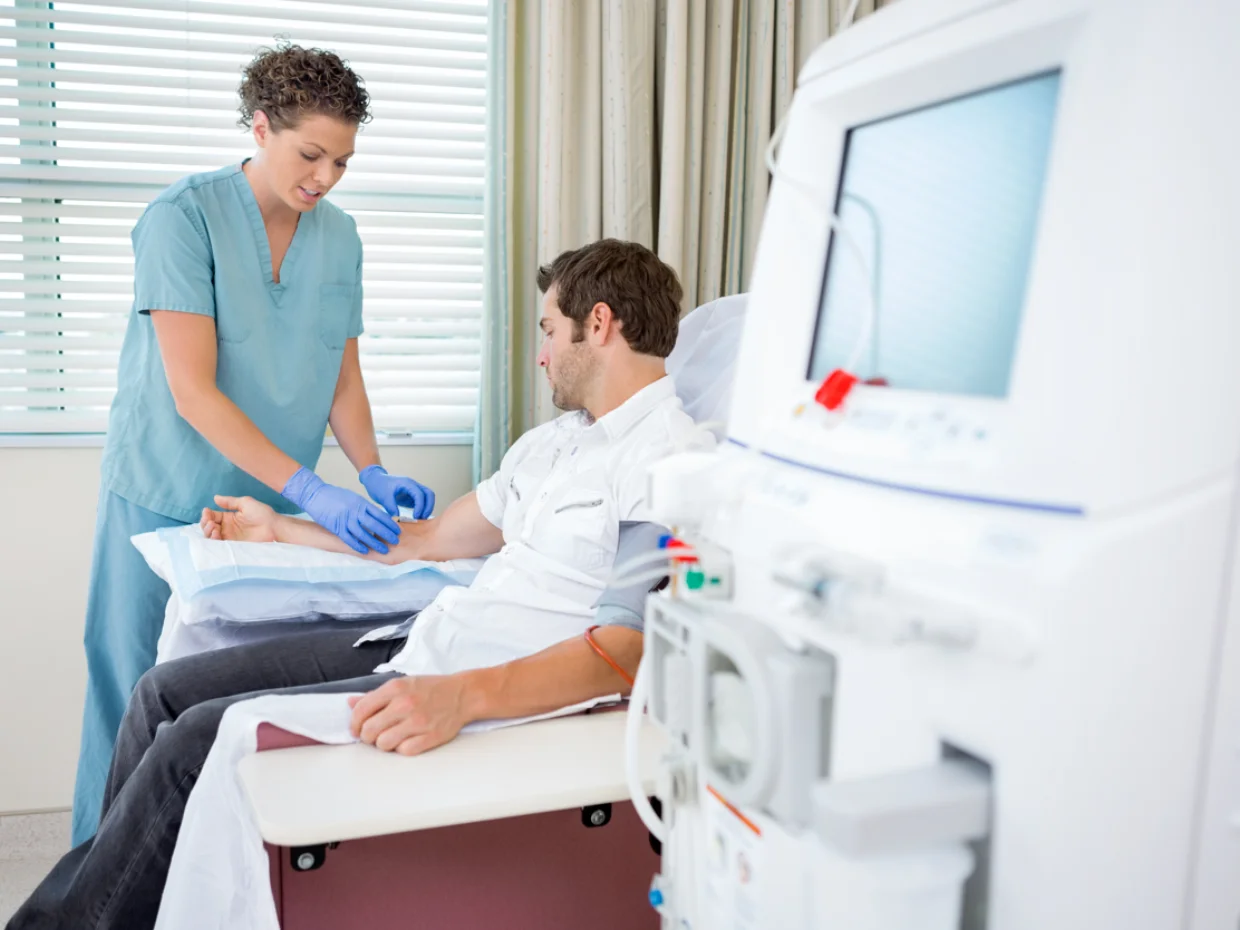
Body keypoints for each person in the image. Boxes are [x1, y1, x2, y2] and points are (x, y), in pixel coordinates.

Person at [9, 239, 713, 930]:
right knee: (158, 692)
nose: (541, 353)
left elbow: (626, 647)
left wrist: (463, 696)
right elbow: (430, 540)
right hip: (430, 637)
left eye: (550, 330)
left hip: (478, 680)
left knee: (189, 745)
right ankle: (106, 901)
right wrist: (281, 526)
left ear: (598, 323)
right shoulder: (554, 444)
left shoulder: (669, 460)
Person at [71, 44, 437, 846]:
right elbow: (193, 390)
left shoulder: (339, 238)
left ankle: (193, 874)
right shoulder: (183, 219)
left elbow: (342, 378)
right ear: (261, 127)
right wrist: (314, 491)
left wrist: (370, 470)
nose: (326, 178)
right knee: (130, 686)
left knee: (219, 699)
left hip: (259, 506)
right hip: (161, 485)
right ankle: (94, 871)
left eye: (342, 161)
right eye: (311, 154)